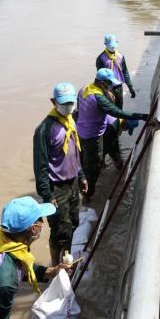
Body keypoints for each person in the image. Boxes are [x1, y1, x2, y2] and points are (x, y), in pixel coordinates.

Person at [34, 82, 89, 266]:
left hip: (73, 183)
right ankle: (57, 265)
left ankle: (66, 260)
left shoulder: (70, 121)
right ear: (53, 102)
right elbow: (40, 167)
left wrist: (81, 176)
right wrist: (47, 196)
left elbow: (74, 152)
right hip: (56, 188)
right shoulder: (44, 130)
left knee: (73, 223)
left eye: (71, 103)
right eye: (64, 103)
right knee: (59, 230)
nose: (69, 107)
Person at [76, 68, 148, 197]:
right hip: (92, 135)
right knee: (94, 167)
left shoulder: (85, 88)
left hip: (80, 131)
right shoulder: (100, 100)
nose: (111, 86)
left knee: (86, 159)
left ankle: (90, 177)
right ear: (103, 82)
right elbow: (117, 112)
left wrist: (106, 91)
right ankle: (88, 195)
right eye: (109, 84)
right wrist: (141, 116)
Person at [96, 33, 136, 110]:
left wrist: (130, 87)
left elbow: (125, 72)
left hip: (119, 87)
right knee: (111, 110)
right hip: (108, 87)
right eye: (110, 45)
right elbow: (99, 78)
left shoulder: (120, 56)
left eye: (114, 45)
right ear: (105, 44)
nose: (112, 47)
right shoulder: (101, 58)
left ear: (117, 43)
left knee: (119, 108)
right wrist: (106, 91)